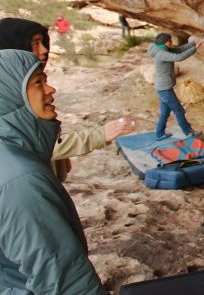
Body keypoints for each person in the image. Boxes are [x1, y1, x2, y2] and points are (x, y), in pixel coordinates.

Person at [0, 49, 106, 294]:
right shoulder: (21, 180)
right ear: (8, 95)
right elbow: (65, 281)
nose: (50, 90)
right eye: (38, 82)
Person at [0, 18, 134, 180]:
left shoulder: (25, 82)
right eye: (35, 43)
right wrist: (99, 135)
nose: (43, 50)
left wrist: (60, 159)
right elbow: (22, 144)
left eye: (43, 42)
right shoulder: (7, 93)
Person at [148, 33, 202, 139]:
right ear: (165, 43)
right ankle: (189, 132)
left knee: (165, 112)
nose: (172, 43)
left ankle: (159, 134)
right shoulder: (161, 53)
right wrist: (195, 48)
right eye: (170, 41)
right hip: (164, 89)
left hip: (163, 88)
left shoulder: (163, 48)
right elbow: (179, 57)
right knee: (179, 110)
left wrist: (191, 44)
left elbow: (177, 50)